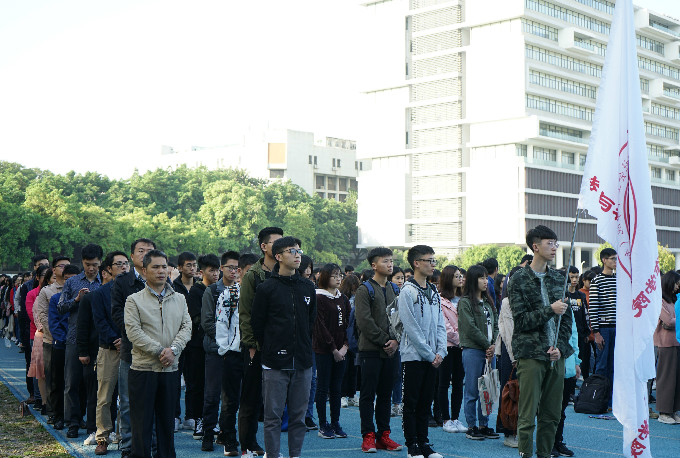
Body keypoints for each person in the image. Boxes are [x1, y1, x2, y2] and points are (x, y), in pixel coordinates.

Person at [509, 225, 573, 458]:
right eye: (549, 243)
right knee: (527, 416)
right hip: (531, 354)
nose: (554, 248)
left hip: (556, 356)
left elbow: (567, 320)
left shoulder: (558, 278)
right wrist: (549, 310)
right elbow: (521, 321)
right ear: (535, 247)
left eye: (556, 243)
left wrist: (561, 348)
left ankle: (544, 454)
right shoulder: (518, 279)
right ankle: (525, 454)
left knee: (552, 415)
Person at [251, 236, 316, 458]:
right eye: (292, 251)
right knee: (273, 417)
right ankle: (273, 454)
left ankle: (295, 455)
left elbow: (311, 322)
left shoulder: (308, 287)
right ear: (278, 256)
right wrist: (271, 347)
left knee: (299, 417)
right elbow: (257, 324)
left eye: (299, 251)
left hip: (303, 361)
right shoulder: (266, 288)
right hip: (275, 362)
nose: (298, 255)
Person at [125, 249, 191, 458]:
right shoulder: (134, 300)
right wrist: (160, 351)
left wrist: (173, 350)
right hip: (143, 369)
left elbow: (186, 327)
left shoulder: (180, 299)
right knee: (141, 425)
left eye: (164, 267)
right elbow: (134, 333)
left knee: (166, 425)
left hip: (170, 369)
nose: (161, 271)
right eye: (155, 267)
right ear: (144, 270)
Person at [238, 226, 283, 456]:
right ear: (264, 246)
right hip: (257, 346)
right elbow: (245, 314)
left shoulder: (286, 272)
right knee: (251, 398)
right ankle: (247, 444)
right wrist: (252, 345)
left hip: (280, 345)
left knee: (274, 402)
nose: (282, 247)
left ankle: (271, 448)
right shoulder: (253, 276)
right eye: (276, 242)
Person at [399, 245, 447, 458]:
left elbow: (440, 323)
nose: (433, 265)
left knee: (426, 401)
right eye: (429, 260)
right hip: (414, 356)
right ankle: (412, 444)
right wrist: (429, 353)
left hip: (434, 356)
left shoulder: (434, 291)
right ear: (416, 263)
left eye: (434, 260)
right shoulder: (407, 291)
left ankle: (424, 442)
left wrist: (441, 351)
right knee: (411, 401)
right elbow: (411, 327)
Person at [354, 247, 402, 453]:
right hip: (371, 350)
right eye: (385, 261)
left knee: (385, 394)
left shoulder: (395, 289)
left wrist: (396, 341)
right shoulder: (365, 289)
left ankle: (384, 435)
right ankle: (368, 436)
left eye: (391, 261)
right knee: (367, 395)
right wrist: (386, 341)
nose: (390, 264)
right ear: (374, 265)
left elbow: (401, 318)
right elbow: (364, 321)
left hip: (392, 350)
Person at [112, 237, 156, 458]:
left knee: (155, 401)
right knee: (128, 401)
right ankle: (128, 445)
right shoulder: (122, 282)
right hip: (131, 349)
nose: (145, 254)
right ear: (132, 256)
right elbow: (117, 313)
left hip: (157, 350)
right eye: (141, 251)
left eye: (150, 251)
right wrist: (137, 333)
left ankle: (153, 445)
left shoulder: (161, 279)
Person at [58, 243, 104, 439]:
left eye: (95, 264)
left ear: (101, 262)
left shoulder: (105, 282)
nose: (91, 268)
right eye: (87, 264)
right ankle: (73, 422)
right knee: (72, 382)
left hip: (100, 341)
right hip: (75, 338)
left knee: (95, 385)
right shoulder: (72, 282)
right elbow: (61, 307)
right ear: (82, 262)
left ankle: (93, 423)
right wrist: (76, 300)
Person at [200, 251, 243, 454]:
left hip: (235, 352)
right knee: (212, 395)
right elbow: (207, 322)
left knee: (231, 398)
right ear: (222, 268)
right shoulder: (212, 291)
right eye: (230, 268)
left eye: (236, 268)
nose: (233, 271)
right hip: (216, 350)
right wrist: (224, 341)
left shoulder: (242, 291)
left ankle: (226, 434)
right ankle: (208, 434)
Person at [90, 251, 130, 455]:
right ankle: (102, 437)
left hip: (131, 349)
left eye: (126, 263)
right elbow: (100, 322)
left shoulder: (135, 290)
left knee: (127, 398)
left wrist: (127, 340)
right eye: (119, 264)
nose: (124, 267)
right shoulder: (100, 293)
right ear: (108, 269)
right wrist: (116, 340)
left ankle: (124, 437)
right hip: (108, 349)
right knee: (104, 397)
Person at [458, 264, 499, 441]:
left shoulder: (488, 302)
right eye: (481, 278)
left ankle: (484, 424)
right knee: (472, 390)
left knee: (488, 388)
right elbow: (470, 328)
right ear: (473, 280)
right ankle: (471, 426)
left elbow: (496, 325)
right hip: (473, 350)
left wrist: (493, 345)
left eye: (486, 278)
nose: (485, 281)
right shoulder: (465, 302)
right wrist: (488, 345)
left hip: (489, 351)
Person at [313, 263, 351, 440]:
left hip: (342, 350)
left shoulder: (343, 298)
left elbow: (348, 324)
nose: (338, 278)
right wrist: (333, 349)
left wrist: (345, 346)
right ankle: (323, 424)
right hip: (324, 350)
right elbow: (319, 326)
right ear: (325, 277)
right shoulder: (319, 297)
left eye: (340, 275)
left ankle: (335, 422)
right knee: (323, 387)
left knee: (337, 388)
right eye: (334, 275)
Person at [186, 253, 220, 440]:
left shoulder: (221, 290)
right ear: (202, 272)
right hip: (197, 345)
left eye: (217, 270)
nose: (215, 274)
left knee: (213, 387)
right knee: (197, 384)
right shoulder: (196, 292)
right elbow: (196, 318)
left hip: (216, 345)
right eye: (211, 270)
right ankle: (198, 420)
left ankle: (211, 421)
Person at [33, 256, 70, 425]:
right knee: (54, 379)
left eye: (67, 266)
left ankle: (71, 413)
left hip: (72, 341)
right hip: (51, 340)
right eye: (61, 266)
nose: (64, 268)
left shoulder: (75, 288)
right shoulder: (47, 291)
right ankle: (54, 412)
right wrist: (57, 335)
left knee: (71, 380)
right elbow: (42, 315)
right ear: (53, 270)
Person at [49, 264, 81, 430]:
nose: (70, 283)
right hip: (62, 345)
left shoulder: (85, 298)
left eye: (73, 280)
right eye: (67, 280)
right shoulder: (57, 299)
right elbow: (54, 324)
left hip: (79, 345)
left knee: (79, 384)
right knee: (60, 382)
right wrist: (65, 340)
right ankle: (58, 415)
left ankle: (77, 416)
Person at [438, 266, 466, 434]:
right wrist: (461, 339)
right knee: (443, 383)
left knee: (458, 383)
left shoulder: (464, 299)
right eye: (456, 276)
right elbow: (445, 327)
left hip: (462, 347)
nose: (460, 279)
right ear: (449, 278)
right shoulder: (440, 300)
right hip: (447, 346)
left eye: (460, 276)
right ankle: (446, 419)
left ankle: (455, 418)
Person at [18, 254, 50, 404]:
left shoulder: (55, 289)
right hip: (34, 332)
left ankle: (46, 399)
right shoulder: (28, 288)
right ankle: (35, 395)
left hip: (51, 334)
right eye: (41, 266)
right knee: (35, 366)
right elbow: (29, 314)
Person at [589, 247, 617, 405]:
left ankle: (611, 400)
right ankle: (598, 399)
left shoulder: (619, 279)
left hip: (618, 328)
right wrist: (597, 333)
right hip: (604, 329)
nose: (615, 262)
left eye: (616, 259)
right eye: (612, 259)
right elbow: (593, 308)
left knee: (614, 365)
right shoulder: (596, 280)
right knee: (602, 365)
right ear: (604, 260)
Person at [171, 251, 196, 427]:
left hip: (195, 340)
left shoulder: (200, 287)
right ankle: (174, 416)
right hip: (176, 339)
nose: (192, 268)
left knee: (193, 380)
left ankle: (191, 416)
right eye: (188, 265)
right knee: (174, 379)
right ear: (179, 267)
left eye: (194, 265)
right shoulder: (172, 287)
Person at [654, 271, 680, 424]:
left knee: (676, 379)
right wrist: (676, 320)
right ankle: (664, 412)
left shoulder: (674, 300)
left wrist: (673, 320)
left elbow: (670, 322)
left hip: (676, 342)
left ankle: (673, 410)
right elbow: (668, 322)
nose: (677, 287)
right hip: (665, 343)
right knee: (666, 379)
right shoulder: (660, 300)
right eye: (676, 283)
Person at [552, 316, 580, 457]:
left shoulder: (568, 309)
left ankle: (558, 440)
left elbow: (573, 335)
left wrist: (576, 362)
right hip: (551, 363)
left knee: (562, 408)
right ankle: (548, 442)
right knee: (549, 408)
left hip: (567, 365)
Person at [565, 266, 590, 383]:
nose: (574, 280)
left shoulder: (580, 295)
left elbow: (585, 314)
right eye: (572, 277)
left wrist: (586, 332)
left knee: (581, 360)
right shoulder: (564, 296)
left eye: (576, 277)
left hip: (580, 333)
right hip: (567, 333)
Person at [340, 273, 361, 408]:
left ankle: (352, 395)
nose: (354, 291)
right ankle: (342, 395)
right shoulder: (342, 298)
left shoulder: (359, 298)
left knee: (354, 369)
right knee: (344, 368)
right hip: (344, 335)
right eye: (353, 288)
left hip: (355, 336)